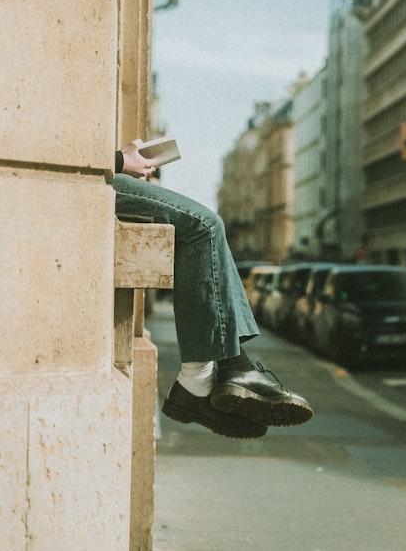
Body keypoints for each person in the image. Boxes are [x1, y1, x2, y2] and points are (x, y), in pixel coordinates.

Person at [112, 139, 313, 438]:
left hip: (103, 174)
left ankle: (220, 372)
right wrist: (117, 160)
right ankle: (203, 378)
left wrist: (120, 161)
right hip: (94, 178)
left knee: (206, 226)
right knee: (203, 226)